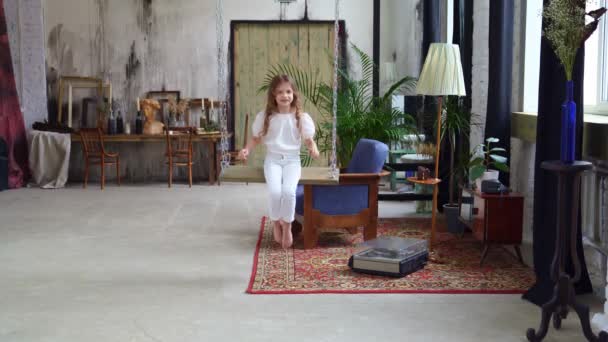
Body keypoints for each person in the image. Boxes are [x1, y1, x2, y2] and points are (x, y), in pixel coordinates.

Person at [238, 75, 320, 249]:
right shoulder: (266, 117)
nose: (285, 96)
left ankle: (288, 226)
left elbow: (308, 139)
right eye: (280, 92)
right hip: (273, 160)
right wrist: (247, 149)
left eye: (288, 91)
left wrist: (313, 148)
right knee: (275, 192)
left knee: (289, 192)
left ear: (294, 94)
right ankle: (276, 223)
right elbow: (256, 138)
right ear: (273, 95)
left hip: (292, 161)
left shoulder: (301, 117)